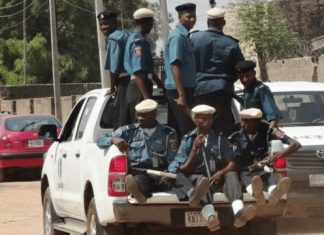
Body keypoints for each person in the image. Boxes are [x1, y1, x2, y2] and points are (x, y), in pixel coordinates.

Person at [168, 104, 256, 231]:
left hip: (216, 177)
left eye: (210, 118)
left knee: (231, 174)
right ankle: (210, 217)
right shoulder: (188, 139)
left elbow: (232, 163)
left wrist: (221, 172)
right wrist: (194, 148)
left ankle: (239, 212)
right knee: (201, 180)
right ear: (195, 119)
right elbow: (184, 169)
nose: (207, 122)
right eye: (203, 118)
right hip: (198, 177)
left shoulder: (219, 138)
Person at [97, 99, 181, 204]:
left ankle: (192, 198)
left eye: (143, 116)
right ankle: (140, 195)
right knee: (139, 183)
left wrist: (171, 172)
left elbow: (174, 157)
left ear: (154, 114)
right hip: (141, 172)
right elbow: (100, 140)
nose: (139, 119)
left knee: (180, 183)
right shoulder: (129, 131)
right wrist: (113, 139)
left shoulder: (168, 133)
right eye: (138, 115)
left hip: (161, 173)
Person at [229, 108, 301, 206]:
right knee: (246, 177)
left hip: (264, 168)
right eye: (242, 120)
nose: (242, 124)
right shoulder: (236, 135)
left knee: (270, 175)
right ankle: (257, 194)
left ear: (255, 122)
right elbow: (233, 164)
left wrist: (274, 157)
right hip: (246, 171)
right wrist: (249, 167)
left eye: (245, 121)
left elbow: (295, 144)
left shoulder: (269, 130)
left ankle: (274, 194)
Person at [191, 7, 244, 136]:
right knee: (224, 128)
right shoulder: (231, 43)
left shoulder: (194, 38)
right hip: (222, 90)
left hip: (200, 89)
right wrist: (226, 81)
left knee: (202, 125)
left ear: (207, 22)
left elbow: (187, 64)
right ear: (223, 23)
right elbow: (240, 68)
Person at [164, 3, 197, 140]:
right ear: (180, 17)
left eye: (194, 16)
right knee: (187, 131)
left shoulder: (185, 36)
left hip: (184, 89)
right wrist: (182, 95)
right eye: (188, 17)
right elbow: (175, 66)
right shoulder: (177, 37)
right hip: (179, 90)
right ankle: (189, 160)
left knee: (178, 131)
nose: (192, 20)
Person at [124, 8, 162, 122]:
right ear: (145, 23)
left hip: (142, 84)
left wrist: (159, 82)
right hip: (139, 87)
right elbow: (138, 71)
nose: (151, 26)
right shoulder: (138, 42)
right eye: (151, 23)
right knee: (140, 123)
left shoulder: (142, 40)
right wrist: (146, 97)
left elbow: (147, 68)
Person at [97, 11, 130, 129]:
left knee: (120, 121)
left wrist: (112, 88)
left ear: (114, 23)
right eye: (101, 24)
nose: (103, 27)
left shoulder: (114, 39)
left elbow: (113, 68)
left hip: (125, 81)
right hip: (135, 79)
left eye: (106, 24)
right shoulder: (125, 33)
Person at [235, 60, 282, 129]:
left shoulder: (261, 90)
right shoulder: (247, 90)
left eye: (247, 75)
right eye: (241, 77)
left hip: (262, 132)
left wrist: (268, 133)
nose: (245, 79)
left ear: (254, 73)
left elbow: (274, 118)